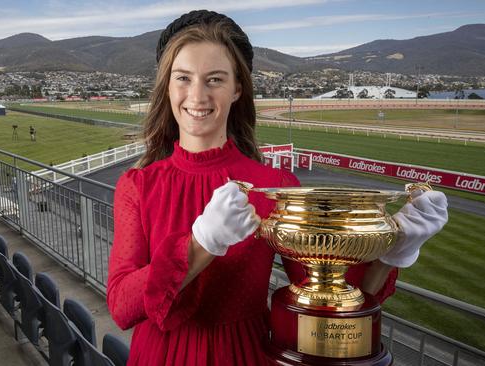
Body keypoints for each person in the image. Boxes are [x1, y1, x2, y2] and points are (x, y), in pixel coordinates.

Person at [107, 10, 448, 366]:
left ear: (237, 88)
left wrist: (395, 249)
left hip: (246, 356)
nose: (197, 95)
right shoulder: (137, 185)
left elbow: (326, 300)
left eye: (215, 80)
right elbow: (121, 306)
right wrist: (200, 243)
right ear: (167, 86)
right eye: (183, 78)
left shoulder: (276, 187)